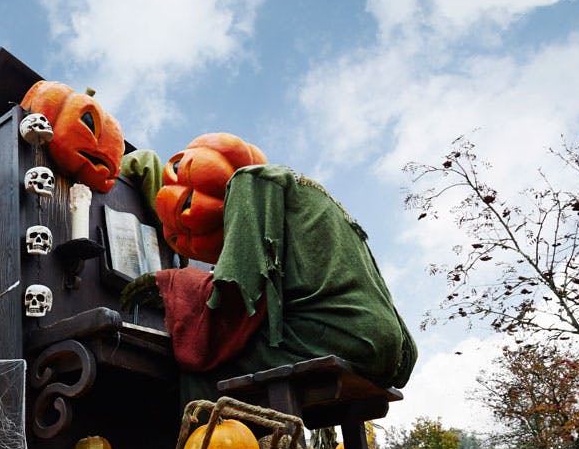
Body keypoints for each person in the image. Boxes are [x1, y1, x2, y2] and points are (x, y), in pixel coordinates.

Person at [120, 135, 417, 405]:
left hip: (345, 334)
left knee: (200, 369)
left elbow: (236, 293)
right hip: (394, 349)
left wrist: (175, 285)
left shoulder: (249, 182)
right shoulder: (306, 195)